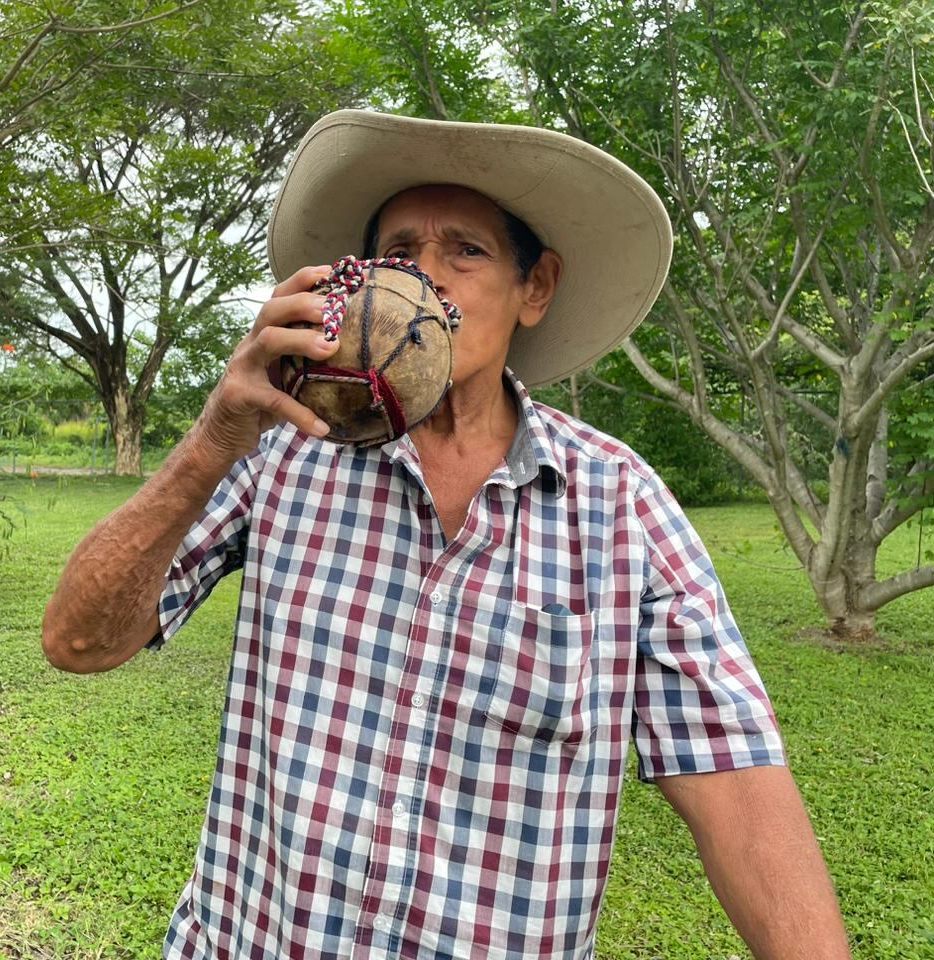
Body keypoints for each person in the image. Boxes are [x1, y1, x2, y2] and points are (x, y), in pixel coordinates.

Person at [42, 110, 851, 959]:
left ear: (535, 289)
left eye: (464, 251)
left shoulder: (621, 505)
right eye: (396, 255)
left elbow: (738, 782)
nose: (422, 281)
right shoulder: (277, 452)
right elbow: (78, 640)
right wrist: (213, 436)